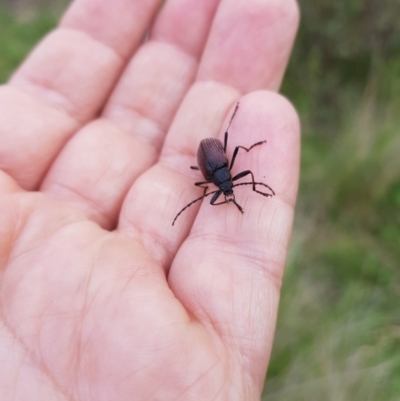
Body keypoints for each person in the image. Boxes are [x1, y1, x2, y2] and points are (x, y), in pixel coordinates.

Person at [0, 0, 300, 399]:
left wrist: (237, 184)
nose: (227, 191)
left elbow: (222, 175)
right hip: (207, 156)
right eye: (228, 190)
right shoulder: (211, 173)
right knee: (223, 165)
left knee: (238, 157)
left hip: (211, 156)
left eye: (228, 191)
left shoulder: (221, 174)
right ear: (219, 180)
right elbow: (208, 179)